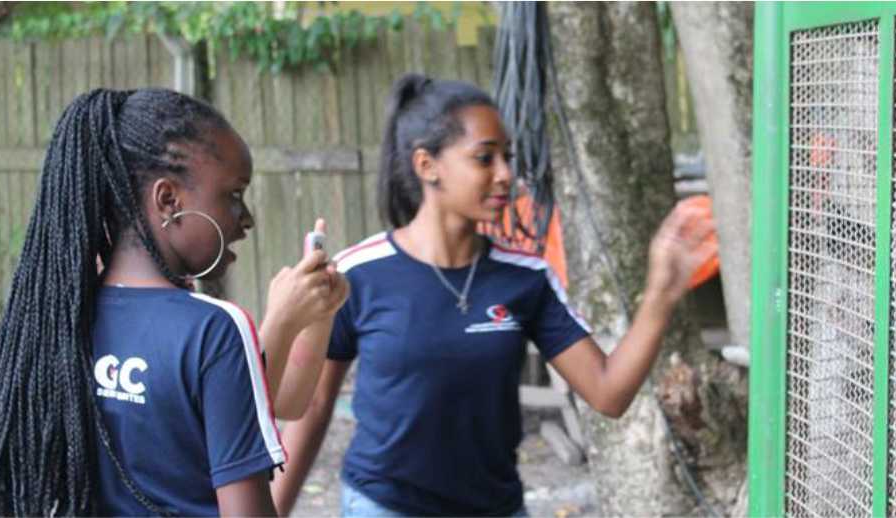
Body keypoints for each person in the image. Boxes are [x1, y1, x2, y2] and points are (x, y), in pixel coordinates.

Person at [270, 74, 716, 517]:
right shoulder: (360, 273)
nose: (505, 175)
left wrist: (661, 292)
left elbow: (608, 394)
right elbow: (311, 404)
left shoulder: (524, 277)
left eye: (508, 157)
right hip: (384, 506)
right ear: (427, 166)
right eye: (485, 159)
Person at [0, 88, 348, 517]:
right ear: (168, 201)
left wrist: (306, 319)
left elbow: (278, 403)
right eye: (234, 195)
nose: (248, 218)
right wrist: (279, 320)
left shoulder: (56, 322)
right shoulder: (214, 329)